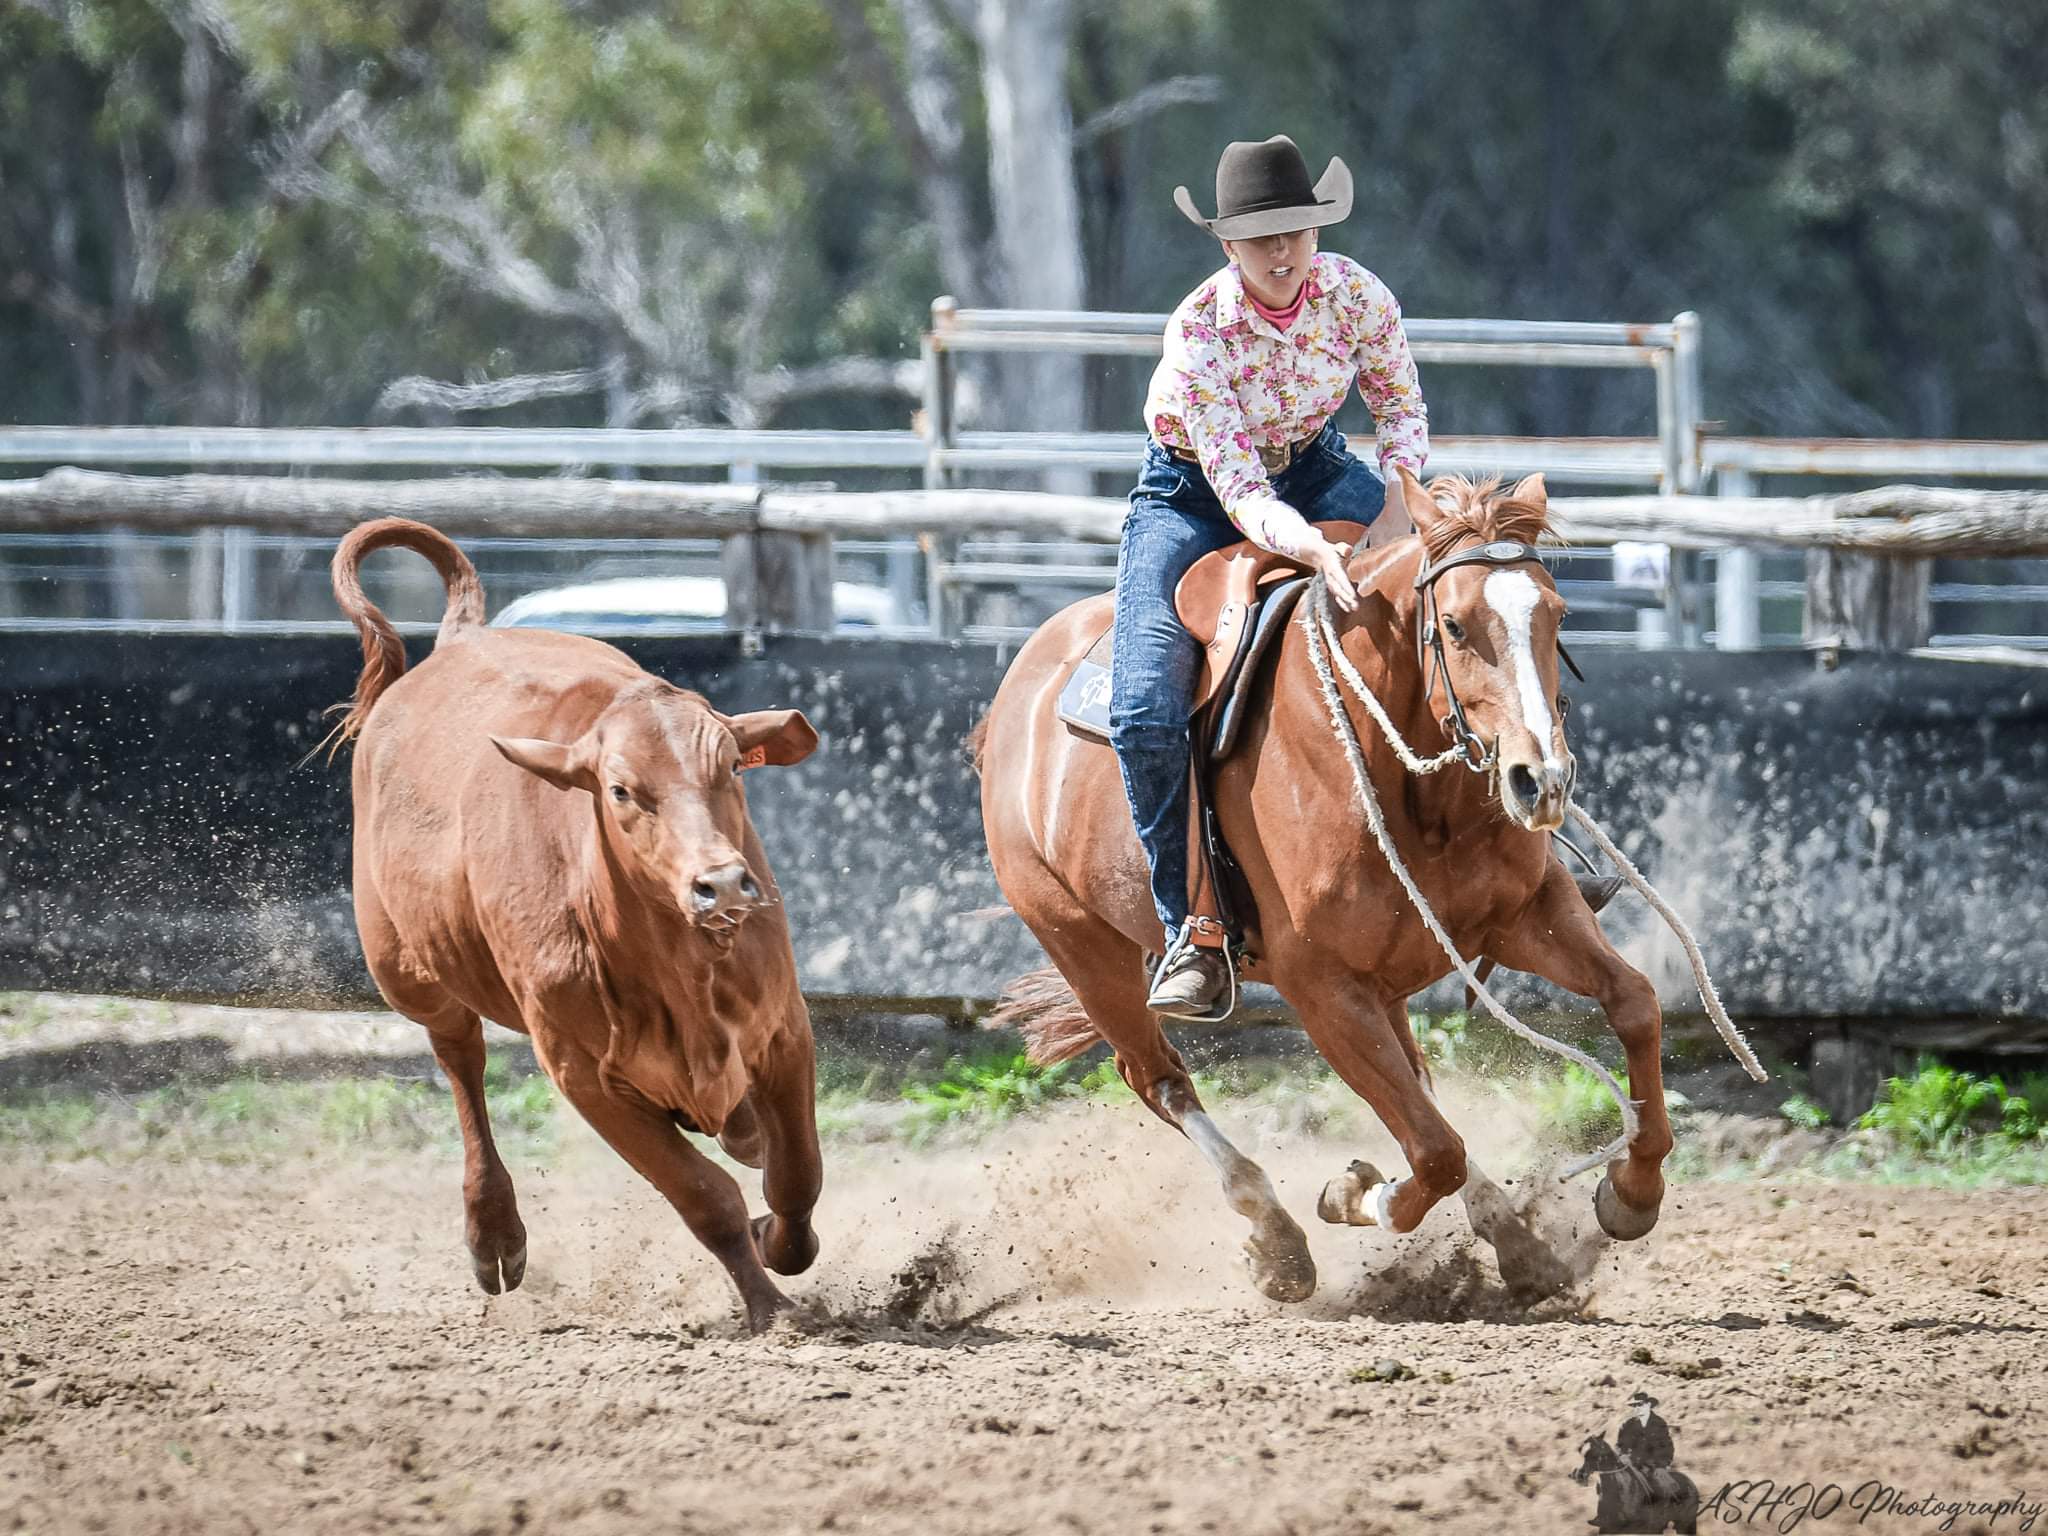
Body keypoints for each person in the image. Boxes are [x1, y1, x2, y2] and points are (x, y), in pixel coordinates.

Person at [1112, 134, 1430, 1016]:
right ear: (1228, 245)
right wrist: (1315, 548)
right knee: (1143, 707)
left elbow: (1399, 404)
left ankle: (1522, 848)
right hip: (1191, 495)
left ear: (1317, 230)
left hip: (1316, 464)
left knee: (1460, 586)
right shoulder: (1199, 332)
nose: (1281, 250)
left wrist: (1399, 504)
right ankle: (1192, 932)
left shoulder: (1358, 295)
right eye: (1260, 236)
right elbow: (1240, 488)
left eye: (1294, 230)